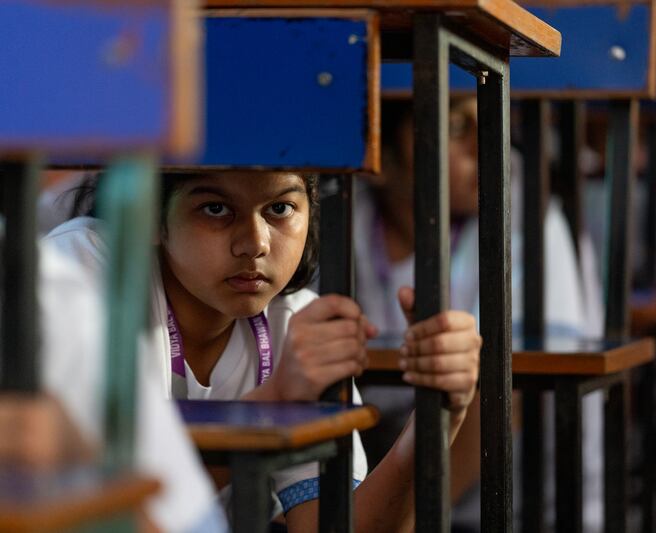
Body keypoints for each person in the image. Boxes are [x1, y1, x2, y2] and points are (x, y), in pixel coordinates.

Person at [44, 169, 481, 531]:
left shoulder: (297, 324)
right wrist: (276, 401)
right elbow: (92, 511)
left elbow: (328, 525)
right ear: (153, 215)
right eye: (215, 209)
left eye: (280, 209)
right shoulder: (83, 273)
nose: (255, 243)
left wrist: (440, 414)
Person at [355, 97, 605, 531]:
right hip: (378, 498)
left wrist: (393, 521)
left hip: (513, 506)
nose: (487, 144)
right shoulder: (342, 220)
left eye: (489, 121)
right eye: (454, 126)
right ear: (380, 159)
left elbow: (508, 402)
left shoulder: (527, 211)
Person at [0, 242, 228, 533]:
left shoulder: (51, 294)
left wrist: (76, 453)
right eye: (216, 209)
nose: (256, 245)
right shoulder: (67, 273)